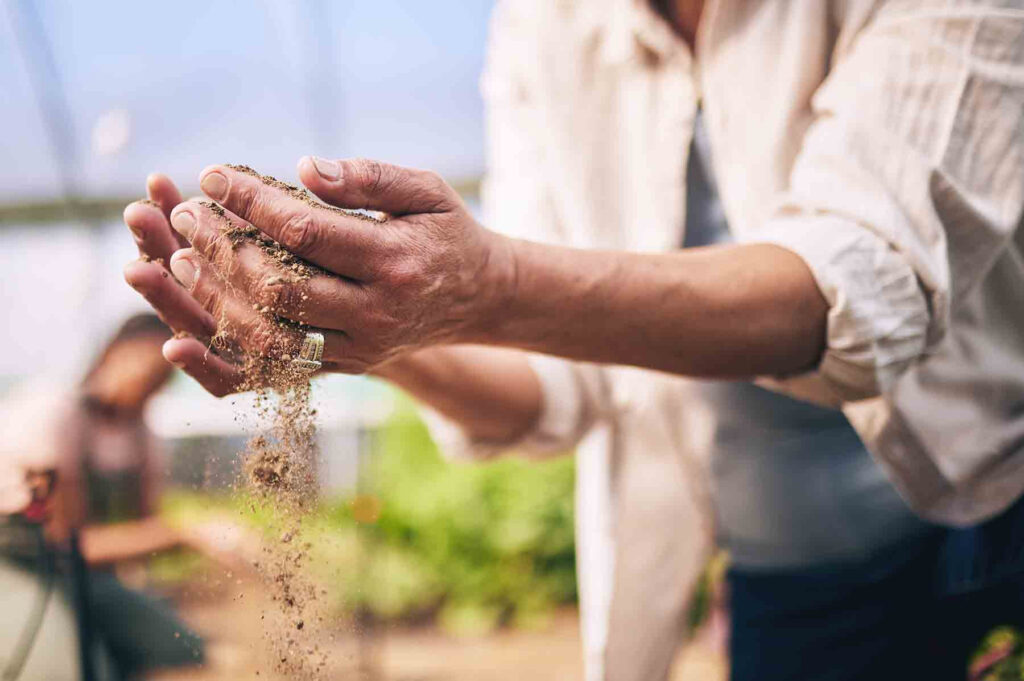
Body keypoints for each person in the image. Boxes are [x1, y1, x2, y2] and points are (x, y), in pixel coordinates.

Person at [124, 1, 1024, 679]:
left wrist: (487, 287)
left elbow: (864, 283)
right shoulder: (546, 24)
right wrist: (374, 327)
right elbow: (557, 382)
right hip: (797, 562)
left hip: (995, 498)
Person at [1, 314, 208, 681]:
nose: (150, 385)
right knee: (68, 670)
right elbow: (68, 542)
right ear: (113, 353)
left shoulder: (138, 431)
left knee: (180, 648)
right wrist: (189, 534)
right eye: (147, 369)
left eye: (162, 379)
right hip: (17, 559)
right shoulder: (58, 415)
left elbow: (143, 527)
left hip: (76, 572)